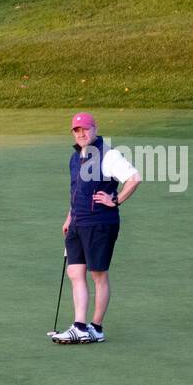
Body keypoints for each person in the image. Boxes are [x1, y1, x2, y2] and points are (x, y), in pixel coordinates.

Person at [51, 112, 141, 344]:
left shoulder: (109, 155)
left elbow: (134, 177)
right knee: (75, 272)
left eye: (86, 129)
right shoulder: (75, 157)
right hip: (78, 222)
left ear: (95, 129)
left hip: (100, 222)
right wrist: (69, 217)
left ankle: (96, 327)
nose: (81, 133)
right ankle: (79, 326)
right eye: (77, 130)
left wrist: (116, 199)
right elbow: (76, 190)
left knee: (98, 274)